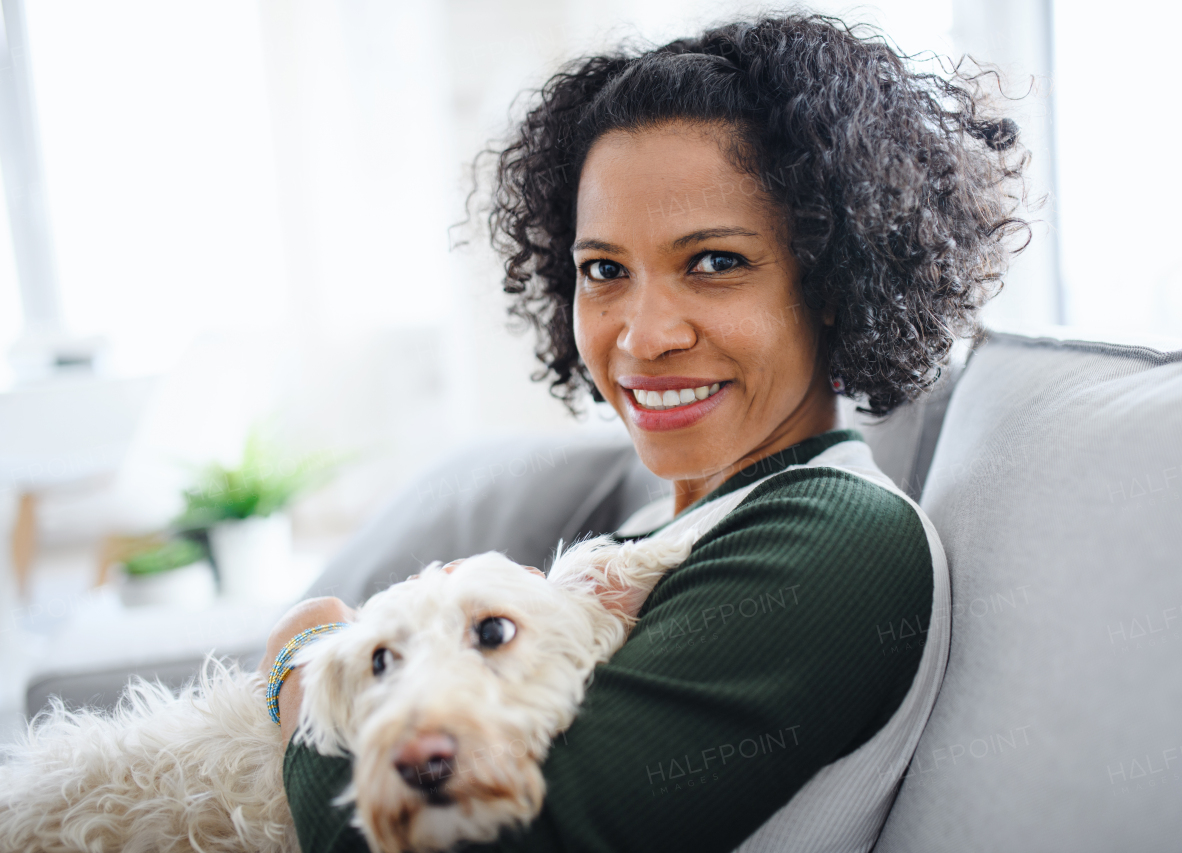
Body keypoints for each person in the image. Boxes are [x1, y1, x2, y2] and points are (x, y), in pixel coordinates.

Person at [264, 13, 1026, 852]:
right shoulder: (645, 542)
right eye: (605, 271)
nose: (642, 335)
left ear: (836, 283)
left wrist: (306, 676)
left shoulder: (836, 537)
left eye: (713, 262)